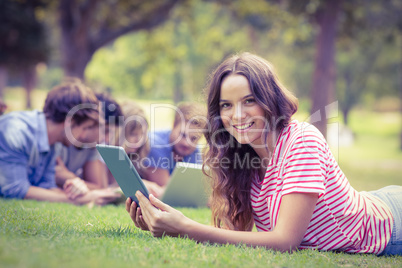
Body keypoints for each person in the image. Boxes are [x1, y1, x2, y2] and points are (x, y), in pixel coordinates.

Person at [125, 53, 401, 256]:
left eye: (249, 101)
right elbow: (235, 238)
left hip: (390, 226)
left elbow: (284, 241)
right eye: (226, 105)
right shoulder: (239, 156)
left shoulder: (301, 140)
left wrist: (185, 227)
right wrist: (162, 221)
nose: (237, 115)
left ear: (269, 99)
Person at [0, 79, 120, 205]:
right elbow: (15, 190)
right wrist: (85, 198)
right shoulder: (15, 132)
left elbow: (47, 186)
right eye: (84, 128)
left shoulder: (54, 142)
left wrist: (78, 191)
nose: (84, 135)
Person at [54, 92, 124, 199]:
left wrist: (68, 177)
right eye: (105, 131)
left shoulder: (91, 146)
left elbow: (100, 188)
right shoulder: (60, 140)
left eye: (111, 133)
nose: (106, 139)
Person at [143, 102, 207, 187]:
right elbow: (168, 191)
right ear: (173, 125)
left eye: (193, 139)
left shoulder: (195, 151)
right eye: (183, 135)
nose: (187, 143)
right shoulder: (155, 144)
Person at [112, 101, 163, 197]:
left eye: (142, 134)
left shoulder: (144, 151)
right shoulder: (110, 153)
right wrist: (139, 185)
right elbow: (109, 187)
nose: (138, 140)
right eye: (133, 134)